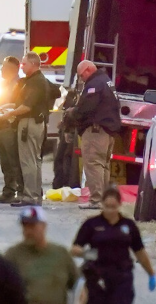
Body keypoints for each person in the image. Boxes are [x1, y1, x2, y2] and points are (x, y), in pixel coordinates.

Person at [71, 187, 156, 304]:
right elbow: (75, 249)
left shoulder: (129, 225)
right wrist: (89, 254)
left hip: (122, 277)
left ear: (119, 205)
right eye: (107, 206)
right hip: (97, 276)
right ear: (102, 204)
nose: (110, 210)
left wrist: (151, 273)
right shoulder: (91, 224)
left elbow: (139, 252)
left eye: (113, 207)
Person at [66, 60, 121, 209]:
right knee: (103, 166)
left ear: (88, 70)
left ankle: (96, 200)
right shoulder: (107, 82)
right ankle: (103, 199)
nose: (81, 79)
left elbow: (85, 108)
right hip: (107, 131)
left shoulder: (94, 84)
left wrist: (71, 114)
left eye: (81, 75)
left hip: (95, 132)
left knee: (93, 164)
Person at [0, 52, 47, 207]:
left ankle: (30, 196)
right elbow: (23, 103)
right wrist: (9, 107)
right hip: (31, 122)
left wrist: (9, 114)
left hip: (29, 123)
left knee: (28, 162)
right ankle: (34, 195)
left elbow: (27, 106)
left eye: (24, 64)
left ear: (33, 64)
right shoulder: (32, 80)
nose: (22, 66)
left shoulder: (35, 82)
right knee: (34, 161)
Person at [5, 206, 79, 304]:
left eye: (32, 226)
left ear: (44, 226)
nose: (28, 231)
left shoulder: (61, 254)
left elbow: (76, 285)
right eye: (25, 226)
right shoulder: (13, 256)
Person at [0, 56, 24, 204]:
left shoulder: (20, 84)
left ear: (11, 69)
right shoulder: (3, 85)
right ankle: (9, 191)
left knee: (14, 161)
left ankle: (20, 191)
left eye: (3, 67)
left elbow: (20, 104)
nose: (1, 70)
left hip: (12, 127)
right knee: (5, 162)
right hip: (2, 126)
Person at [52, 89, 80, 189]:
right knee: (62, 158)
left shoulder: (83, 91)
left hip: (73, 129)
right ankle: (60, 185)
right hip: (68, 128)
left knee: (67, 158)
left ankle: (66, 185)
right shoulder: (74, 93)